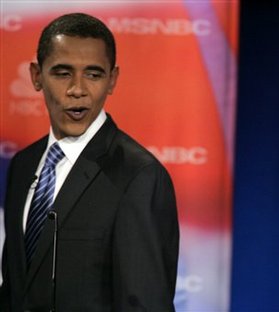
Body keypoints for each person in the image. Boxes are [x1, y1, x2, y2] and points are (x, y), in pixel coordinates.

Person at [0, 13, 179, 311]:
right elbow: (17, 284)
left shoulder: (139, 176)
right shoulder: (22, 165)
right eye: (62, 73)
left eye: (93, 74)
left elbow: (144, 304)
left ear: (112, 80)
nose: (78, 89)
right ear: (36, 76)